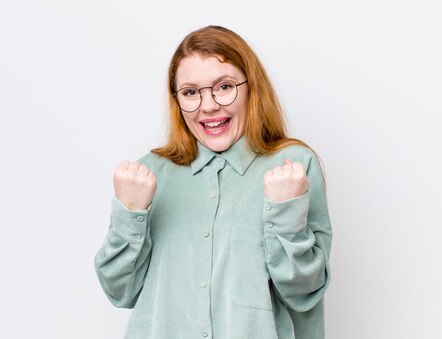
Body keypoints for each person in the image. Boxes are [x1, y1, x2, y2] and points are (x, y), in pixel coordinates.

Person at [94, 25, 332, 339]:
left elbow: (305, 292)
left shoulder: (295, 166)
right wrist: (129, 213)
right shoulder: (148, 174)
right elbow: (119, 291)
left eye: (224, 87)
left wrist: (285, 213)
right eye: (191, 92)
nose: (208, 106)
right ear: (177, 100)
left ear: (251, 88)